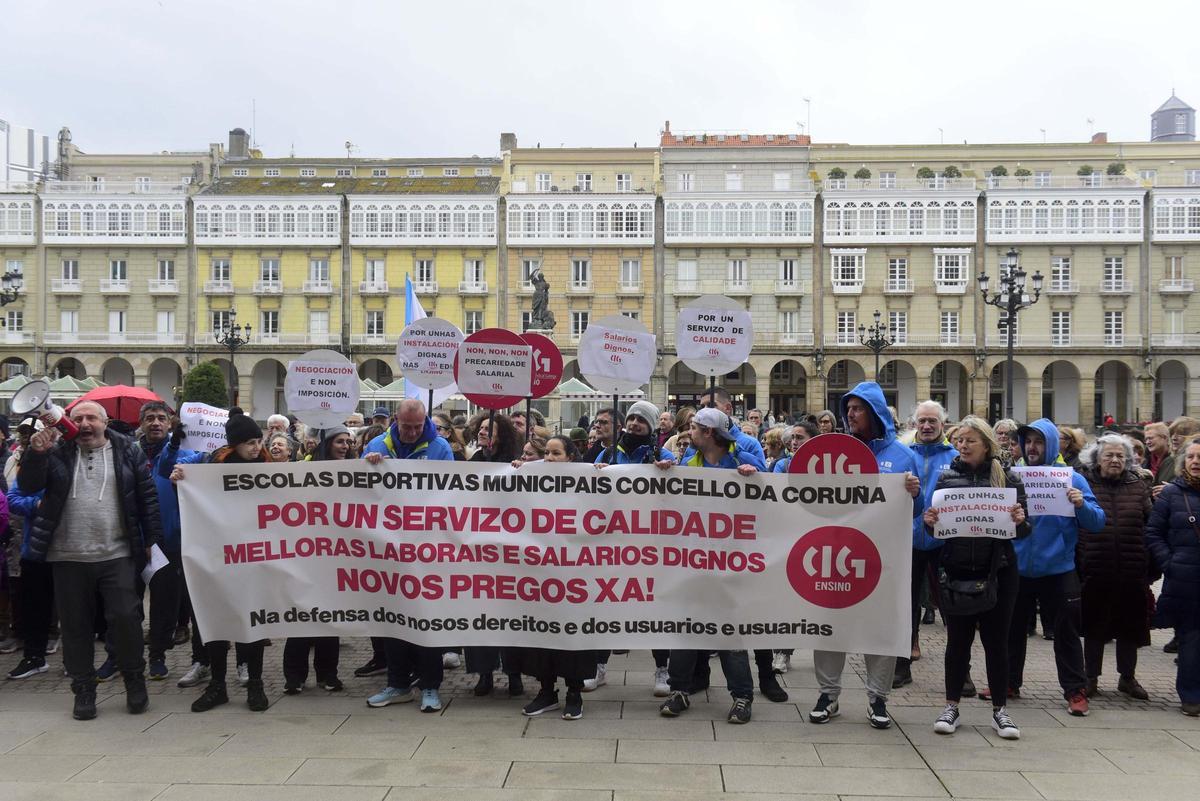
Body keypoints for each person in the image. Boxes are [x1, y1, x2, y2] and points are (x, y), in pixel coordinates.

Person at [23, 400, 162, 720]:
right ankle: (84, 688)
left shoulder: (129, 450)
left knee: (126, 619)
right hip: (68, 555)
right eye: (77, 418)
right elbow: (29, 486)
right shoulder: (57, 451)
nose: (84, 424)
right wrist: (36, 454)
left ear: (105, 422)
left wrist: (152, 541)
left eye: (91, 418)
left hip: (116, 553)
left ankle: (134, 680)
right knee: (75, 627)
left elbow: (147, 498)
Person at [809, 382, 922, 731]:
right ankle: (829, 695)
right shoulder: (834, 449)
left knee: (882, 627)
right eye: (849, 409)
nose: (851, 414)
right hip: (835, 554)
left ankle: (878, 697)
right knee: (829, 625)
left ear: (874, 412)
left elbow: (919, 511)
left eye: (858, 408)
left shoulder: (904, 456)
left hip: (883, 560)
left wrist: (913, 494)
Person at [923, 416, 1029, 740]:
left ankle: (1000, 710)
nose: (963, 446)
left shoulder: (1007, 478)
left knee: (997, 643)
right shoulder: (946, 477)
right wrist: (930, 521)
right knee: (957, 643)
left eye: (970, 440)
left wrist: (1020, 519)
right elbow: (938, 529)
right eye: (960, 441)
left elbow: (1024, 530)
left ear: (986, 444)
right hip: (957, 570)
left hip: (998, 571)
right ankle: (951, 705)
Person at [656, 407, 759, 724]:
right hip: (694, 561)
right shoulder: (690, 462)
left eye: (695, 428)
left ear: (710, 433)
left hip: (731, 564)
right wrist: (666, 473)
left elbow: (770, 497)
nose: (689, 433)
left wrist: (753, 477)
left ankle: (742, 696)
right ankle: (679, 690)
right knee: (686, 629)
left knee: (729, 634)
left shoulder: (743, 460)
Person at [170, 410, 275, 713]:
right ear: (235, 444)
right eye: (249, 443)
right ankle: (217, 684)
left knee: (252, 622)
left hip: (255, 558)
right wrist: (180, 478)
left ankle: (255, 682)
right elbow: (176, 475)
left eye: (259, 440)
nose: (256, 447)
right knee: (215, 621)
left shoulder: (271, 469)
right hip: (218, 557)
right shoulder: (212, 467)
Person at [1001, 418, 1105, 716]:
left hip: (1058, 569)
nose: (1032, 447)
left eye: (1039, 442)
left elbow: (1097, 522)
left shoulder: (1072, 479)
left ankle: (1075, 690)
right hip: (1018, 568)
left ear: (1051, 445)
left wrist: (1080, 505)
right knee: (1011, 631)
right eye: (1028, 442)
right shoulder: (1011, 477)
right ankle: (1008, 682)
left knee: (1066, 633)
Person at [363, 400, 453, 711]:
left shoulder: (440, 448)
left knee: (427, 620)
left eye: (417, 426)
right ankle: (397, 684)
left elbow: (455, 494)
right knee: (393, 620)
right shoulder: (377, 445)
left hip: (427, 548)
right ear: (395, 421)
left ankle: (430, 686)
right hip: (388, 549)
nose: (412, 432)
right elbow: (359, 490)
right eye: (406, 427)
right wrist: (369, 465)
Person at [513, 435, 593, 720]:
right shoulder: (529, 480)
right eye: (546, 453)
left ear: (571, 457)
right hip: (539, 575)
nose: (549, 459)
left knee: (571, 635)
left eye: (556, 453)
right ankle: (546, 691)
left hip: (574, 576)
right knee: (540, 634)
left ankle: (574, 693)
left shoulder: (589, 483)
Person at [1077, 434, 1154, 700]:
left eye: (1121, 456)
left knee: (1129, 629)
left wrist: (1149, 566)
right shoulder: (1084, 483)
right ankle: (1090, 679)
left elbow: (1150, 525)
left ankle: (1128, 678)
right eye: (1109, 455)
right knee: (1094, 628)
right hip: (1095, 567)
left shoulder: (1138, 486)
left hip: (1132, 570)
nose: (1115, 460)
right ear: (1097, 459)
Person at [893, 401, 960, 690]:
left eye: (933, 421)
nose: (927, 426)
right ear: (914, 424)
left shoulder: (956, 457)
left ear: (943, 424)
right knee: (905, 603)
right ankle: (902, 663)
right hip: (909, 536)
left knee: (953, 607)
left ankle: (961, 670)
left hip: (945, 540)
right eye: (922, 421)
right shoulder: (904, 455)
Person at [282, 426, 352, 695]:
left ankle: (327, 674)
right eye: (339, 441)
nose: (345, 446)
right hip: (307, 553)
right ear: (327, 443)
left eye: (348, 441)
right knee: (300, 616)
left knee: (329, 617)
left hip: (338, 555)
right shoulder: (303, 469)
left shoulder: (357, 470)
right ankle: (294, 676)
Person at [1145, 435, 1200, 716]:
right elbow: (1153, 532)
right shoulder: (1171, 494)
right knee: (1191, 639)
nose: (1195, 461)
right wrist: (1170, 563)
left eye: (1199, 457)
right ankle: (1191, 696)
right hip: (1186, 579)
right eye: (1190, 457)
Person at [594, 401, 671, 465]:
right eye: (631, 418)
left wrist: (667, 471)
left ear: (650, 426)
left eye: (641, 420)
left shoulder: (664, 456)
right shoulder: (607, 454)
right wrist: (600, 472)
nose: (634, 423)